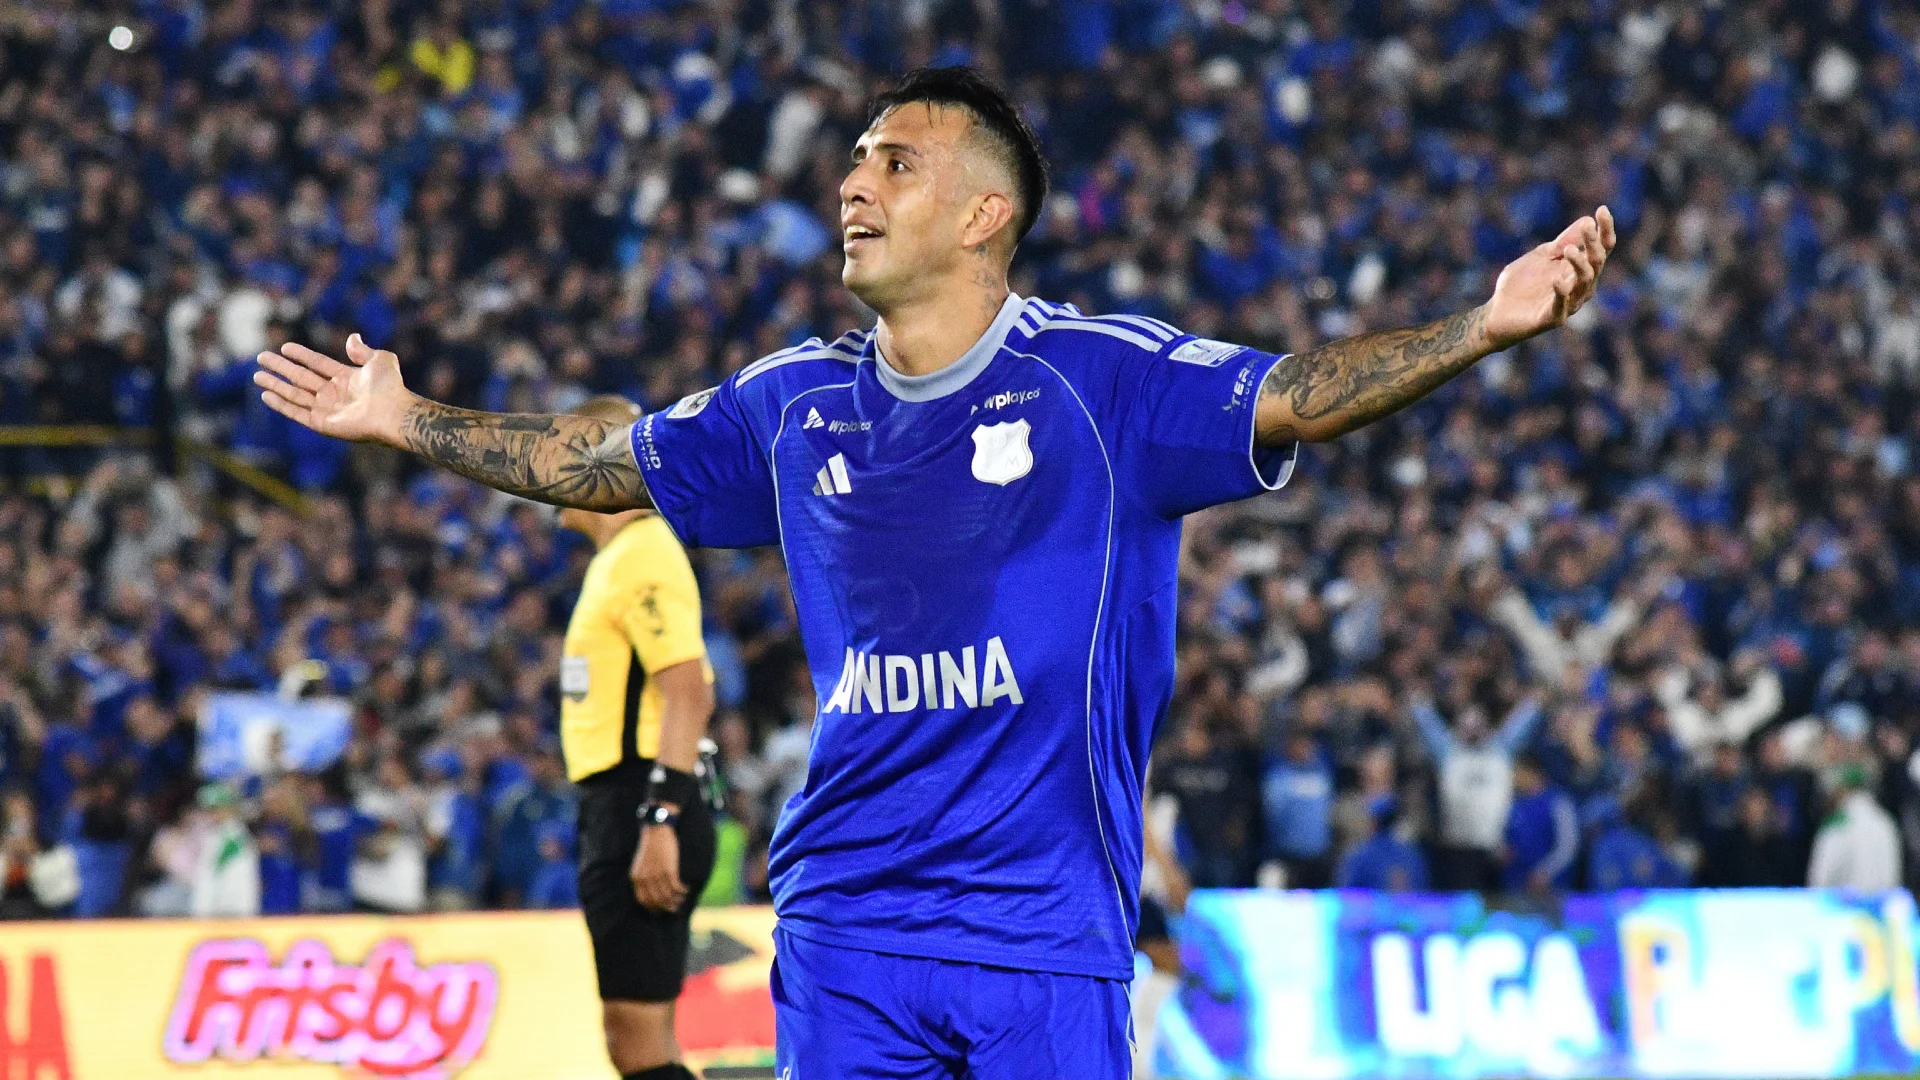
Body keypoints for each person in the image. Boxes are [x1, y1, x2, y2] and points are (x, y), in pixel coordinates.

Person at [254, 64, 1615, 1079]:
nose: (853, 185)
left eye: (895, 164)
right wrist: (407, 419)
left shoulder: (1101, 381)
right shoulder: (792, 403)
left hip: (1045, 938)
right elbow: (600, 463)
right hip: (847, 926)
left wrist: (1481, 329)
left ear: (982, 216)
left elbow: (1300, 392)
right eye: (855, 161)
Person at [551, 394, 719, 1080]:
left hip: (639, 802)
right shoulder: (622, 558)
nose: (542, 470)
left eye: (557, 451)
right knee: (648, 1039)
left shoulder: (643, 553)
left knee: (635, 1044)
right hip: (631, 801)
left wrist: (658, 818)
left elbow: (690, 690)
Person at [1807, 763, 1902, 890]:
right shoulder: (1886, 821)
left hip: (1843, 900)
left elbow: (1820, 877)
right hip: (1882, 899)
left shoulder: (1838, 823)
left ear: (1843, 789)